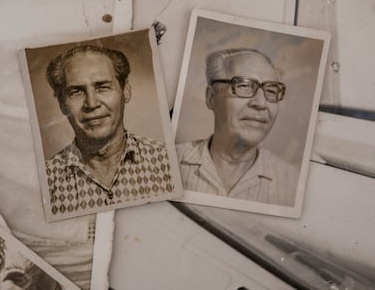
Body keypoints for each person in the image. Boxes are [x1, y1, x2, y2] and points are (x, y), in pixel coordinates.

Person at [45, 45, 174, 216]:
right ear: (62, 104)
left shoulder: (167, 163)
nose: (92, 104)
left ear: (126, 91)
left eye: (102, 87)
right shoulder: (46, 181)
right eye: (76, 92)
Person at [176, 48, 298, 206]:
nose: (261, 103)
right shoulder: (170, 161)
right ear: (211, 97)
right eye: (244, 86)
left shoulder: (292, 183)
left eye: (270, 90)